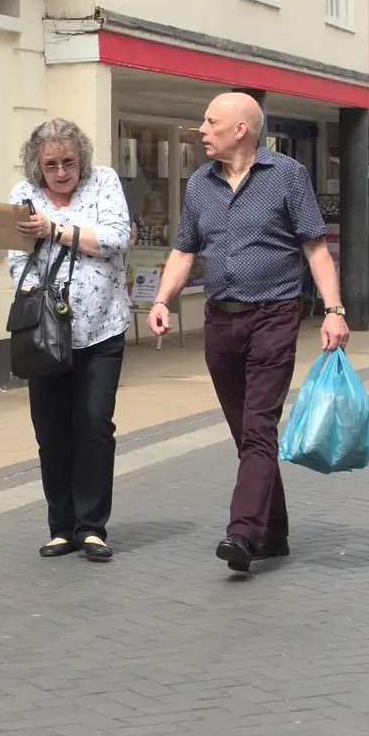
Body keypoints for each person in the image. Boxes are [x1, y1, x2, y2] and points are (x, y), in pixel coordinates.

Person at [147, 93, 349, 574]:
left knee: (259, 426)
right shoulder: (199, 183)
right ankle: (273, 530)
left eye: (210, 121)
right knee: (246, 432)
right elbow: (183, 251)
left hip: (274, 316)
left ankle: (242, 532)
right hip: (220, 318)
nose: (201, 129)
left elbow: (316, 250)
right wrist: (161, 300)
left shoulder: (286, 176)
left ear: (241, 129)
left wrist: (335, 310)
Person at [8, 119, 132, 563]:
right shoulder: (22, 197)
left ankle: (92, 527)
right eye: (51, 165)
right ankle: (61, 527)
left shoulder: (104, 183)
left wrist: (55, 231)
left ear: (81, 158)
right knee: (52, 432)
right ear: (37, 166)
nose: (61, 172)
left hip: (102, 329)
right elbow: (14, 261)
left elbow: (116, 239)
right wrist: (35, 295)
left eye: (68, 162)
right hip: (45, 335)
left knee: (95, 426)